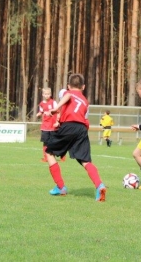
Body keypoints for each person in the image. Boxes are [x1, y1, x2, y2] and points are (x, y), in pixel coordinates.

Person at [45, 74, 106, 202]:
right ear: (83, 87)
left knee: (49, 153)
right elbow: (83, 118)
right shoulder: (85, 101)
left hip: (69, 127)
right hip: (82, 129)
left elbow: (68, 96)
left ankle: (60, 187)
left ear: (68, 86)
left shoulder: (68, 93)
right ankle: (99, 185)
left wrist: (56, 108)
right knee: (85, 161)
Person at [36, 87, 57, 162]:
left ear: (50, 94)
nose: (47, 95)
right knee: (45, 142)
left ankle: (54, 156)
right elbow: (41, 111)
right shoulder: (41, 104)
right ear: (43, 95)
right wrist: (39, 113)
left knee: (53, 142)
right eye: (45, 94)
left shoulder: (53, 102)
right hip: (45, 126)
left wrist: (51, 112)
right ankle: (45, 157)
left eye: (48, 94)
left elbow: (57, 110)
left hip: (52, 126)